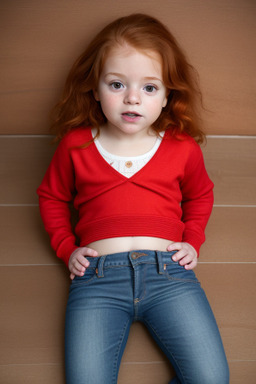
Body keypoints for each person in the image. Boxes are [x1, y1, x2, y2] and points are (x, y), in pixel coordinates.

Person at [37, 13, 229, 384]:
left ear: (168, 95)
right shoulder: (76, 145)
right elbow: (51, 197)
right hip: (97, 279)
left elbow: (201, 195)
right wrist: (66, 247)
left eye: (149, 88)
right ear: (94, 88)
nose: (132, 98)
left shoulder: (181, 148)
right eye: (116, 84)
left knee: (211, 380)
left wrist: (192, 240)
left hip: (170, 273)